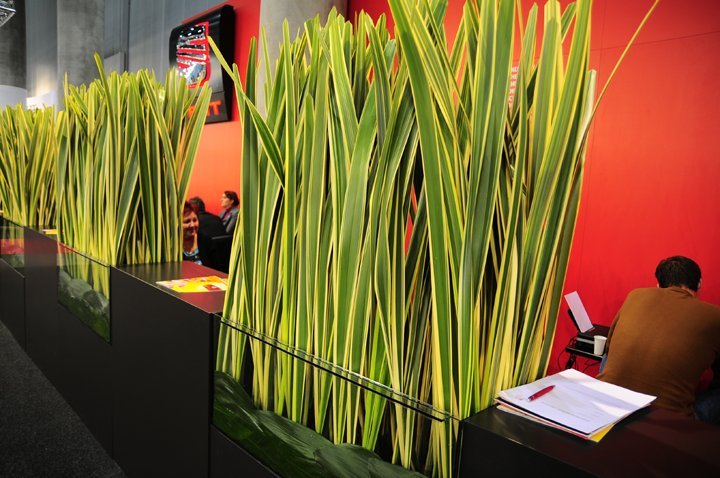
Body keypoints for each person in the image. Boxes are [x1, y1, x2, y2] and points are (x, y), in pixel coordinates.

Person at [597, 256, 720, 420]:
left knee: (609, 353)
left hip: (605, 401)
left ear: (658, 285)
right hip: (669, 417)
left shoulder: (635, 295)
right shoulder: (715, 315)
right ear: (699, 284)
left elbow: (609, 347)